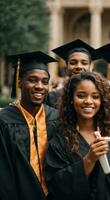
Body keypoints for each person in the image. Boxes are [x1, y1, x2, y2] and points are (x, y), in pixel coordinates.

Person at [44, 72, 110, 200]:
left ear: (102, 100)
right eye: (81, 96)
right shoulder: (60, 141)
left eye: (95, 96)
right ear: (71, 99)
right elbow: (57, 185)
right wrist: (89, 160)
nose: (88, 101)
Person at [0, 51, 58, 200]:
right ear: (19, 82)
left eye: (45, 81)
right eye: (32, 80)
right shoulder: (4, 120)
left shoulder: (56, 118)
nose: (40, 86)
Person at [45, 39, 97, 108]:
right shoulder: (52, 98)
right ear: (66, 66)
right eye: (73, 63)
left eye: (84, 63)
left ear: (90, 66)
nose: (79, 66)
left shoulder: (98, 96)